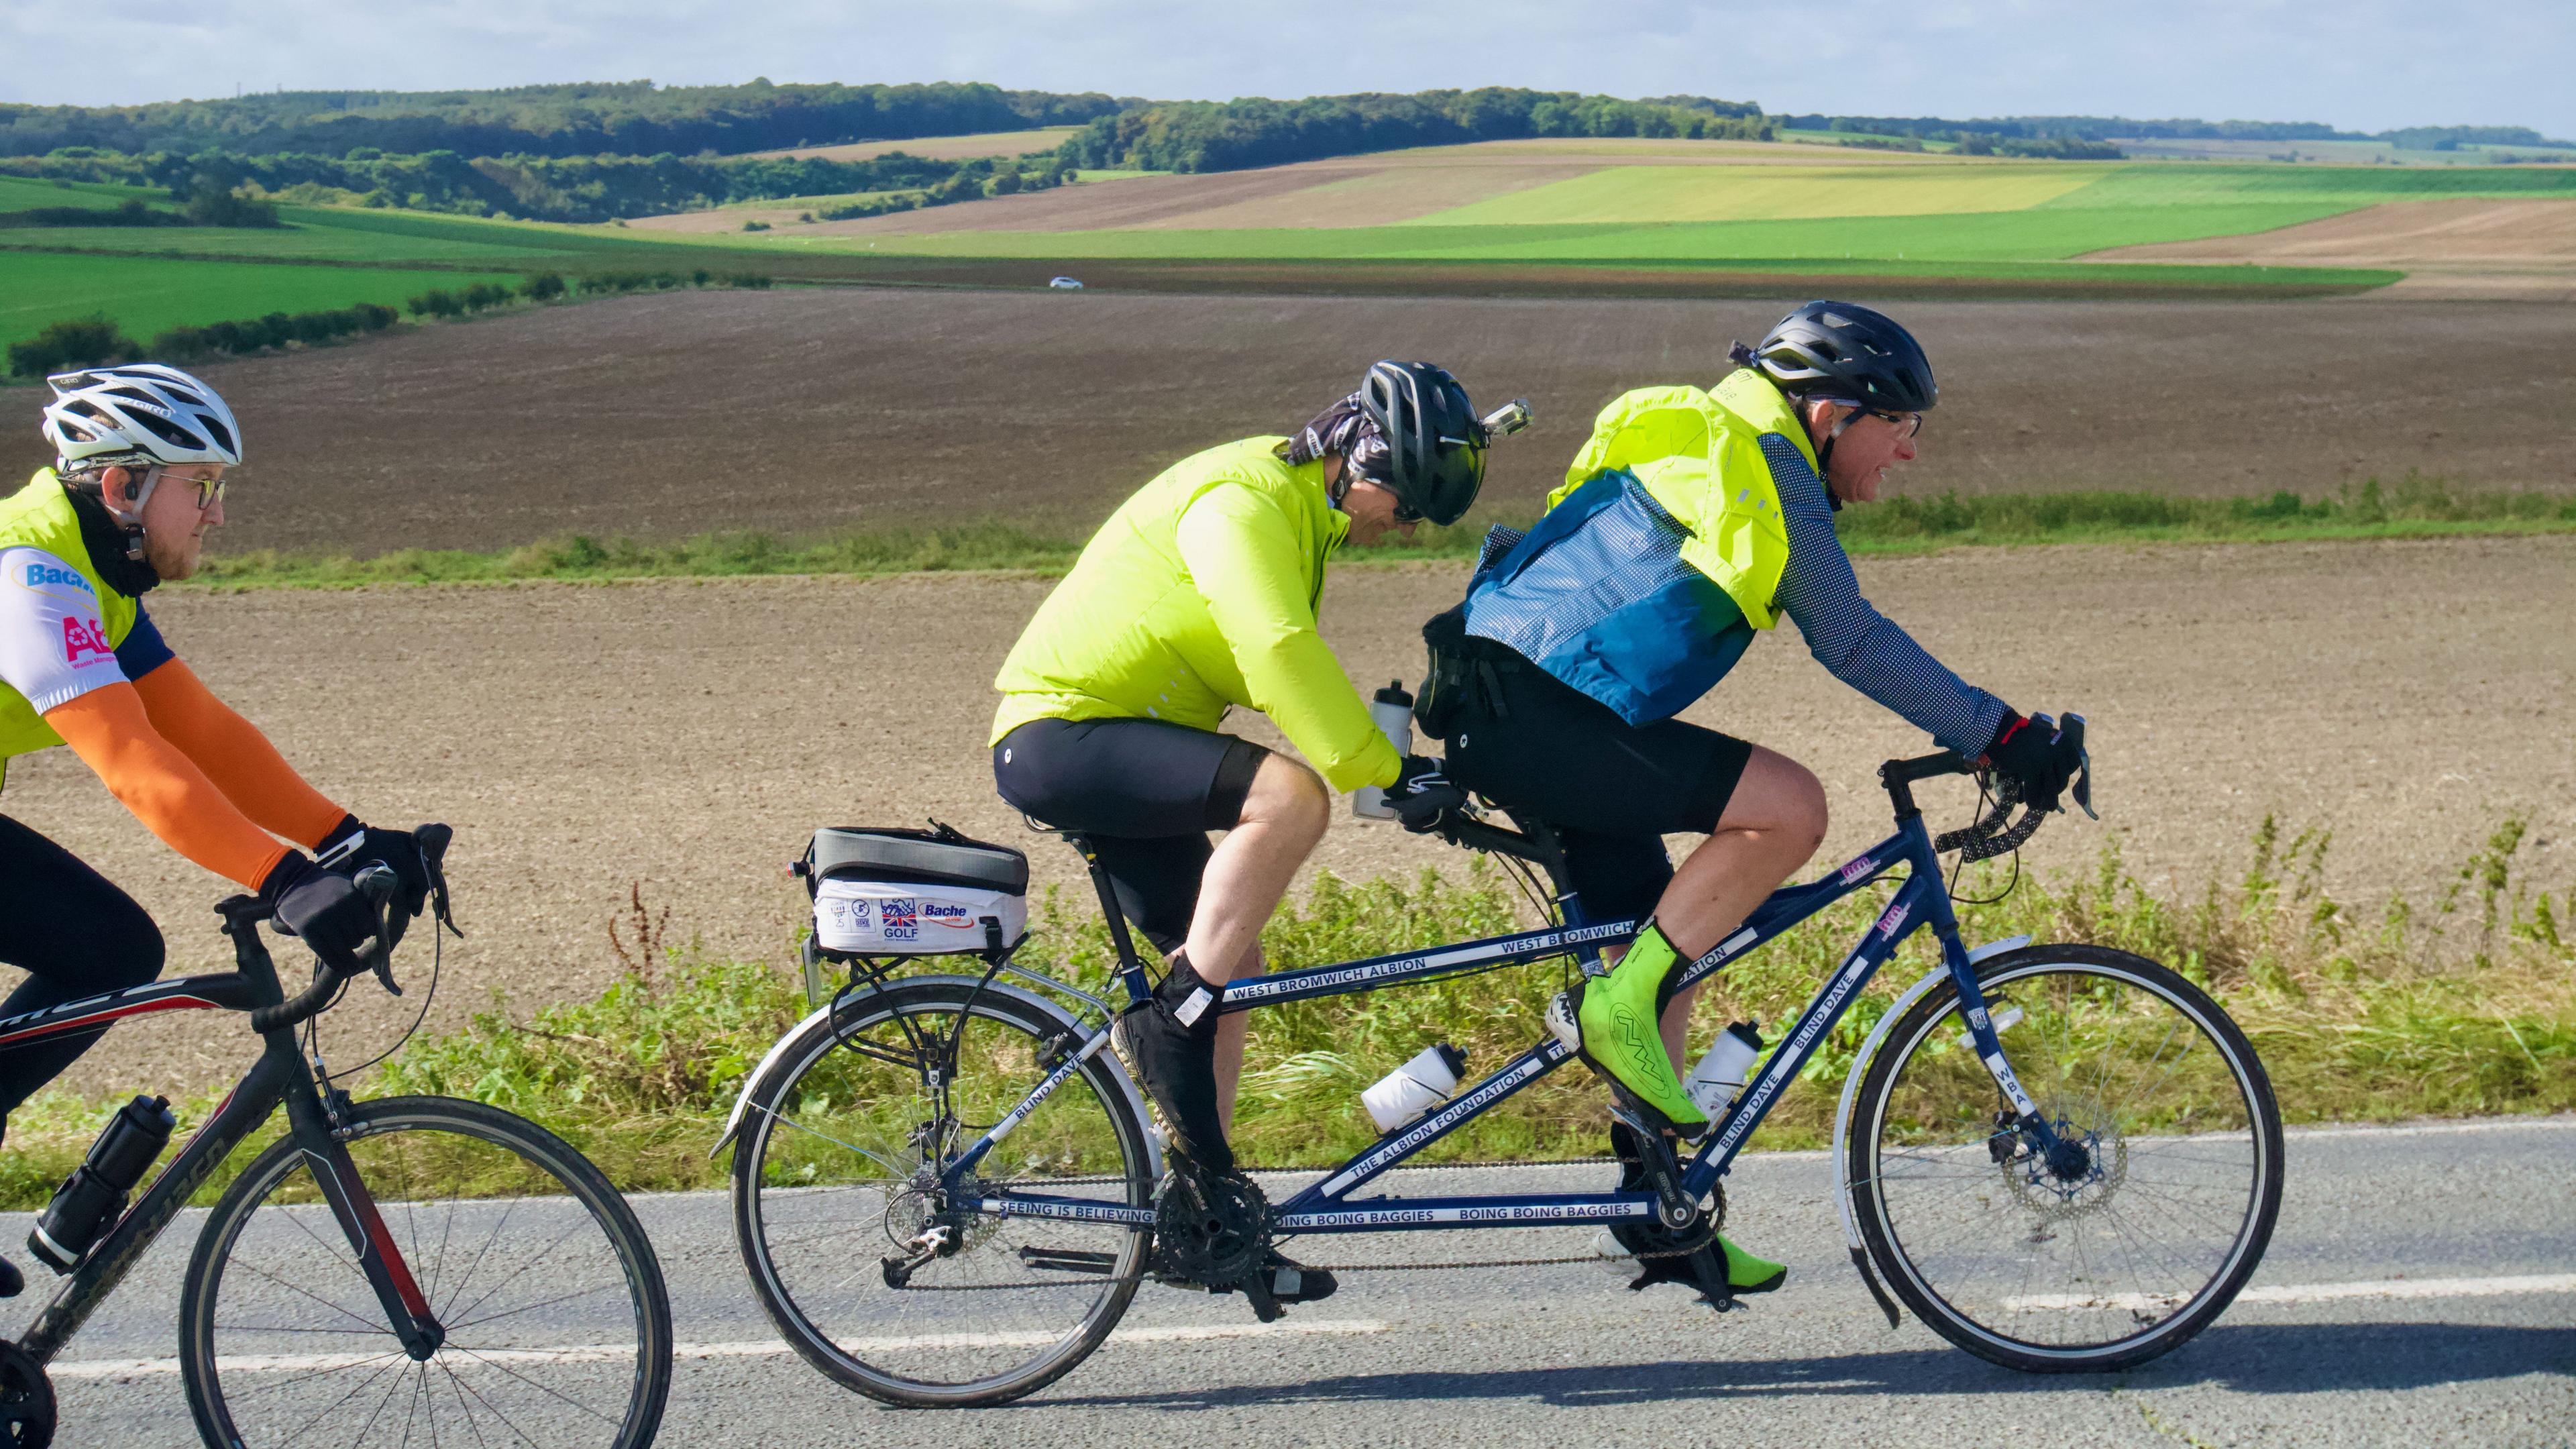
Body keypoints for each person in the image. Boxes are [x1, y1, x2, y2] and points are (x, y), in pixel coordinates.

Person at [1400, 303, 2088, 1297]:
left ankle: (1660, 1215)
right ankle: (1616, 1013)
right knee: (1788, 810)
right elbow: (1848, 636)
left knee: (1660, 946)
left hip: (1524, 703)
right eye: (1904, 430)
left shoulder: (1722, 432)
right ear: (1837, 413)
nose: (1910, 456)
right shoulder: (1767, 460)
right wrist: (2002, 735)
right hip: (1538, 715)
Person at [989, 361, 1489, 1301]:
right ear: (1355, 459)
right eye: (1408, 501)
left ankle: (1204, 1214)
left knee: (1233, 965)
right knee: (1292, 798)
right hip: (1063, 733)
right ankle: (1172, 1018)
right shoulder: (1244, 500)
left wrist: (1398, 766)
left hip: (1109, 737)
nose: (1410, 526)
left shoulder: (1296, 511)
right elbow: (1275, 649)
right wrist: (1381, 772)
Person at [0, 364, 433, 1292]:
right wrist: (284, 881)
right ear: (123, 486)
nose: (217, 515)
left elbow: (201, 735)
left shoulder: (92, 573)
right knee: (110, 945)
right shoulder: (29, 574)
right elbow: (135, 769)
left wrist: (345, 839)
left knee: (110, 947)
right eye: (203, 487)